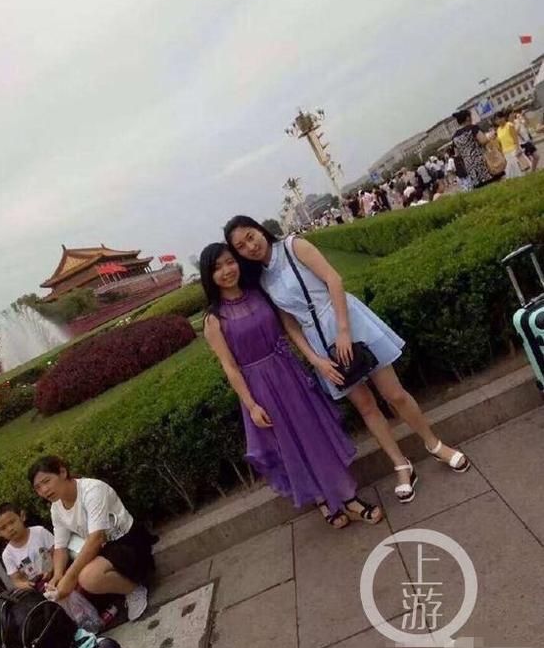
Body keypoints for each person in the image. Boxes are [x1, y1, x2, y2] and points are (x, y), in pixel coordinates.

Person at [224, 216, 471, 505]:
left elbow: (334, 279)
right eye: (240, 246)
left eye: (250, 236)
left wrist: (343, 331)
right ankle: (400, 464)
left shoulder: (294, 246)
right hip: (318, 342)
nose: (250, 246)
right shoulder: (262, 280)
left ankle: (434, 444)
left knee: (394, 394)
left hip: (347, 322)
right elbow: (289, 324)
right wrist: (315, 360)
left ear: (260, 230)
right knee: (365, 405)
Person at [200, 242, 383, 529]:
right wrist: (251, 405)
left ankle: (348, 497)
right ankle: (323, 499)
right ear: (208, 276)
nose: (226, 271)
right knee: (291, 445)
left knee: (314, 434)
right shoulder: (214, 320)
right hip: (260, 388)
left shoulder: (259, 293)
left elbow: (289, 325)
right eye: (217, 268)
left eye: (229, 262)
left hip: (289, 373)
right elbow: (230, 367)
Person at [28, 456, 155, 621]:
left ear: (62, 472)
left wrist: (69, 579)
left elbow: (96, 538)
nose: (44, 490)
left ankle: (134, 590)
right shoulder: (56, 507)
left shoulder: (92, 490)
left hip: (127, 541)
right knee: (73, 566)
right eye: (38, 488)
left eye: (46, 481)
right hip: (103, 548)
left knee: (88, 578)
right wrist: (57, 576)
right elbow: (60, 546)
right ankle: (118, 586)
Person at [0, 502, 54, 590]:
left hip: (57, 576)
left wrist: (50, 568)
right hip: (39, 589)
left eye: (12, 522)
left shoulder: (39, 532)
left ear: (22, 516)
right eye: (3, 528)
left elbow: (57, 552)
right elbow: (16, 580)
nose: (10, 529)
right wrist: (26, 585)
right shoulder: (7, 554)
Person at [451, 109, 500, 188]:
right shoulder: (472, 128)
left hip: (469, 165)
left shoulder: (454, 136)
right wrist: (490, 136)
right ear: (467, 118)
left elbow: (457, 153)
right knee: (491, 183)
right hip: (481, 161)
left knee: (480, 186)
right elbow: (483, 140)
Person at [494, 111, 522, 179]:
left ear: (504, 117)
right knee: (509, 173)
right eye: (497, 119)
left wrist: (518, 148)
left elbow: (515, 138)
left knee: (517, 170)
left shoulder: (509, 125)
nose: (499, 120)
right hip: (505, 153)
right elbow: (500, 143)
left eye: (500, 118)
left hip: (513, 151)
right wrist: (501, 154)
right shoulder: (498, 130)